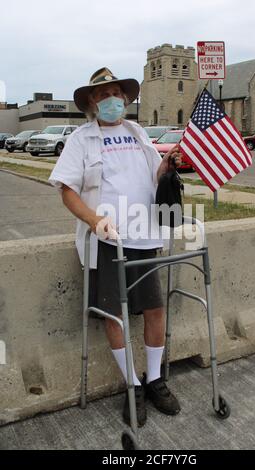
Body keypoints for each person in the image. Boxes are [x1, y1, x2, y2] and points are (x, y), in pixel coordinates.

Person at [49, 67, 183, 427]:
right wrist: (95, 221)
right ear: (92, 101)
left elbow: (154, 175)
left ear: (125, 97)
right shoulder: (81, 139)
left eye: (116, 93)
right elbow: (66, 190)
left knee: (154, 309)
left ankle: (155, 379)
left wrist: (167, 165)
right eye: (103, 94)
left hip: (146, 235)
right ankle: (132, 385)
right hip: (109, 240)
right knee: (115, 315)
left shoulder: (137, 132)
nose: (112, 100)